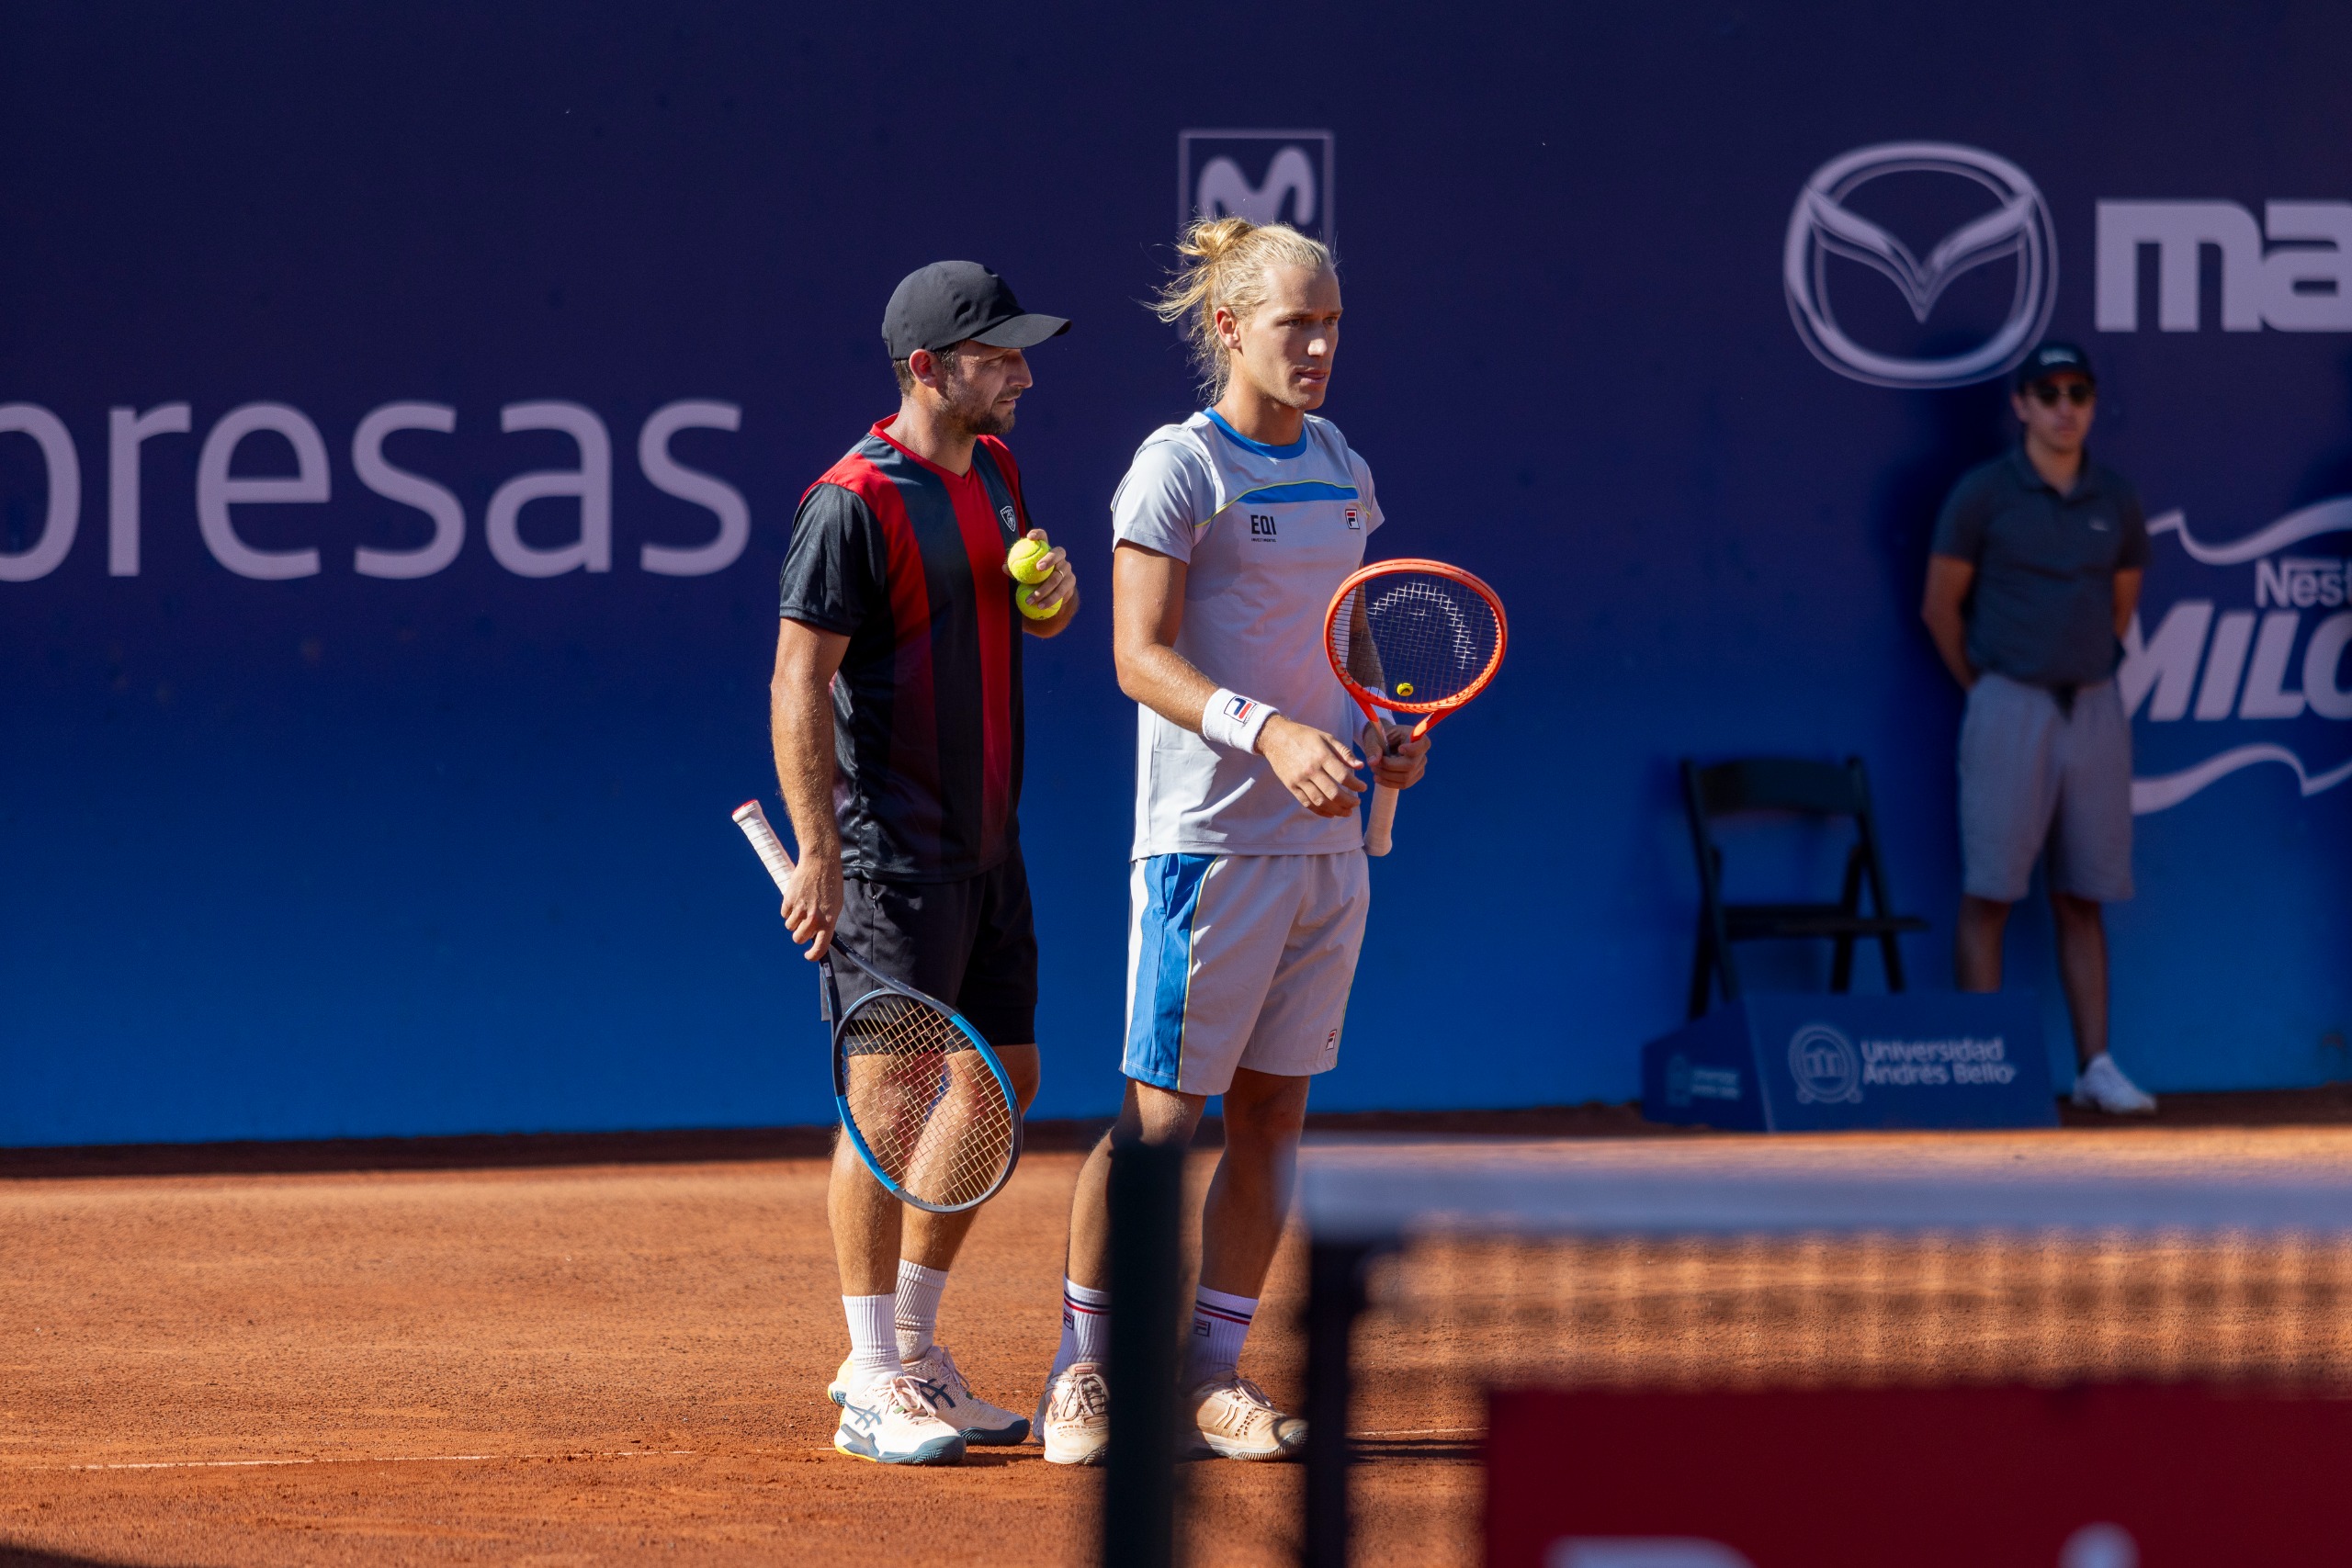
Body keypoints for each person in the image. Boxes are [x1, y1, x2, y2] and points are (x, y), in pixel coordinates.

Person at [1032, 217, 1430, 1466]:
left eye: (1331, 324)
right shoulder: (1176, 466)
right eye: (1292, 323)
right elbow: (1136, 653)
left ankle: (1212, 1370)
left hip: (1326, 850)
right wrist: (1266, 734)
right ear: (1229, 329)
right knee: (1162, 1121)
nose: (1315, 345)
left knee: (1273, 1118)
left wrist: (1384, 724)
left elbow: (1348, 634)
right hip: (1206, 845)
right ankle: (1085, 1367)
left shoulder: (1343, 463)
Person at [769, 260, 1080, 1465]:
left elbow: (1023, 615)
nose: (1023, 372)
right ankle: (867, 1376)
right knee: (892, 1099)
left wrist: (1046, 598)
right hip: (889, 856)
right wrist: (818, 849)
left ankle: (912, 1346)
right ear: (927, 369)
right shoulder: (849, 503)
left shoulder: (994, 469)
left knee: (1002, 1081)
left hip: (991, 841)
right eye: (999, 355)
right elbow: (800, 678)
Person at [1920, 340, 2156, 1116]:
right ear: (2020, 404)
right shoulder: (1983, 494)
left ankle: (2096, 1067)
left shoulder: (2116, 500)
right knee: (1989, 890)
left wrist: (2069, 667)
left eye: (2079, 393)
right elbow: (1939, 608)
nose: (2065, 408)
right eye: (2048, 392)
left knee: (2083, 895)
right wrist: (1991, 687)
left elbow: (2121, 605)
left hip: (2092, 703)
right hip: (2006, 702)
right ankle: (1979, 1068)